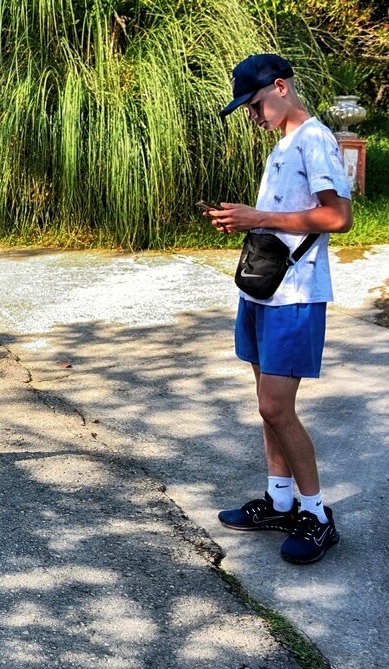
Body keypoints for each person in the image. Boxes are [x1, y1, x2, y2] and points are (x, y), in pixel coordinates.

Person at [208, 54, 352, 564]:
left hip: (296, 294)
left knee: (275, 406)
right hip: (263, 289)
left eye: (254, 103)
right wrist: (245, 220)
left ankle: (316, 515)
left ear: (282, 87)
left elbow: (338, 217)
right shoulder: (284, 145)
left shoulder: (314, 140)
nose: (251, 115)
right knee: (266, 402)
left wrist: (259, 215)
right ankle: (280, 500)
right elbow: (283, 218)